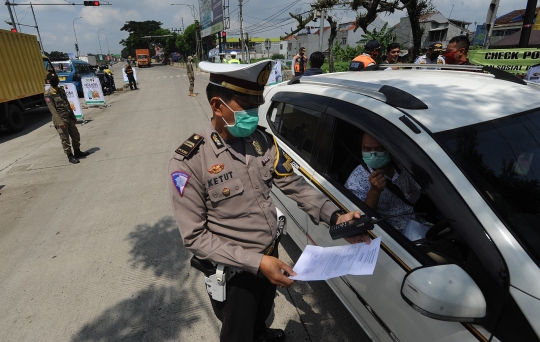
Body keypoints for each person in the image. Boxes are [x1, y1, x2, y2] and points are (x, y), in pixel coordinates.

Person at [168, 60, 367, 342]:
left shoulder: (261, 140)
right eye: (246, 106)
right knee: (238, 330)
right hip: (235, 269)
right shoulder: (189, 161)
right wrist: (257, 262)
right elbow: (195, 237)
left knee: (261, 311)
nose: (253, 113)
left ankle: (260, 334)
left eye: (256, 105)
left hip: (270, 254)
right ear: (217, 106)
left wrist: (335, 216)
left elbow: (293, 183)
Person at [344, 132, 423, 233]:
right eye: (367, 149)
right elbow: (362, 220)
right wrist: (374, 192)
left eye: (380, 149)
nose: (373, 154)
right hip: (393, 233)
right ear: (361, 149)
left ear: (388, 148)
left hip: (417, 221)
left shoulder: (402, 164)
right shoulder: (356, 181)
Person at [44, 72, 89, 164]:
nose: (56, 81)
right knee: (65, 139)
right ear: (49, 82)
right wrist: (60, 122)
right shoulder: (48, 94)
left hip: (68, 117)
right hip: (61, 119)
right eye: (53, 80)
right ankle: (70, 156)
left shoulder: (60, 90)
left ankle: (77, 152)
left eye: (56, 79)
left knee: (76, 135)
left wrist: (73, 116)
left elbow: (67, 104)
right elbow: (52, 110)